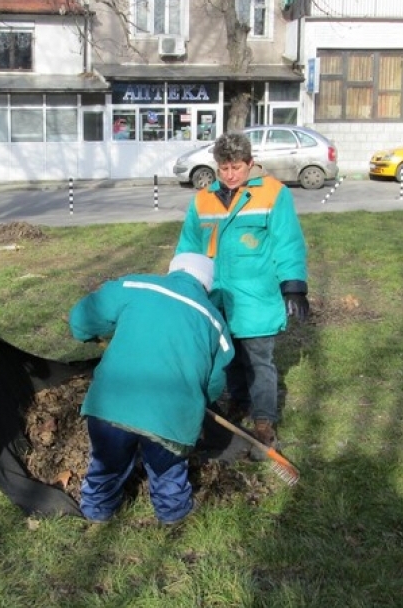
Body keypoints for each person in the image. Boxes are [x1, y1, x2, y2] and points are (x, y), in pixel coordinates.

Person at [69, 253, 234, 525]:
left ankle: (97, 511)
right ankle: (173, 515)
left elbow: (82, 318)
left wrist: (85, 332)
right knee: (168, 471)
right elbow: (215, 383)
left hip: (114, 402)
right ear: (207, 286)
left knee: (105, 464)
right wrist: (198, 403)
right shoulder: (215, 322)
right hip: (172, 417)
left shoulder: (136, 286)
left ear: (172, 270)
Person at [173, 131, 309, 448]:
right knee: (227, 357)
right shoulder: (202, 200)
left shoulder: (273, 194)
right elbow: (188, 245)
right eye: (223, 168)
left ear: (250, 163)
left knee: (259, 363)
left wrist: (294, 287)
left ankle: (263, 420)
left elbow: (287, 242)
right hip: (216, 299)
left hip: (256, 299)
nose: (230, 175)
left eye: (236, 167)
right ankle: (238, 402)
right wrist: (181, 282)